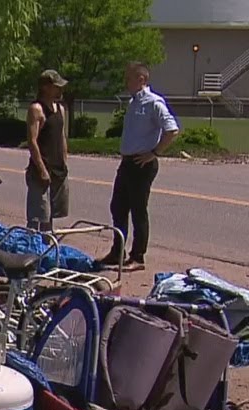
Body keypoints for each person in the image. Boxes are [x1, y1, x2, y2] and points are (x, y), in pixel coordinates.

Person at [98, 62, 180, 272]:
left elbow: (172, 130)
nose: (126, 82)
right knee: (118, 207)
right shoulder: (134, 102)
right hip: (127, 162)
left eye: (129, 78)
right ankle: (117, 252)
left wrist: (154, 153)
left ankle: (138, 257)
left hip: (142, 164)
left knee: (138, 211)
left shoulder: (154, 103)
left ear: (141, 79)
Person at [25, 69, 70, 232]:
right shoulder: (36, 109)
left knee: (50, 217)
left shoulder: (60, 109)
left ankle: (47, 249)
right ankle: (33, 250)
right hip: (40, 172)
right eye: (56, 87)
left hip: (58, 170)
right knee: (38, 218)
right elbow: (32, 141)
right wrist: (42, 169)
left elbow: (62, 137)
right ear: (45, 87)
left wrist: (64, 161)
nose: (60, 90)